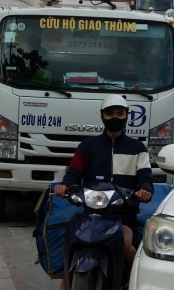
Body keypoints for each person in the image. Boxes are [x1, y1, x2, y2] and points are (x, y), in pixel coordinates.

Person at [53, 96, 154, 290]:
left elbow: (145, 177)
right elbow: (74, 173)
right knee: (71, 238)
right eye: (109, 113)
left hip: (123, 213)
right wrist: (65, 186)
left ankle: (131, 280)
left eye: (119, 113)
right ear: (102, 116)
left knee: (125, 245)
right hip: (91, 211)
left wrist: (145, 190)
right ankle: (67, 278)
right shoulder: (87, 146)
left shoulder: (138, 148)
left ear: (126, 116)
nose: (114, 117)